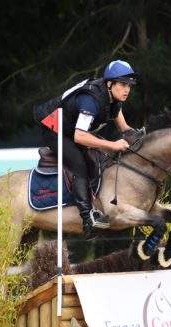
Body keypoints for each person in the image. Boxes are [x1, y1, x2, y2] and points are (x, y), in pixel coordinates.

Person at [34, 60, 138, 237]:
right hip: (55, 130)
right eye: (123, 84)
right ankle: (87, 219)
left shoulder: (115, 99)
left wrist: (138, 137)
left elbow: (125, 129)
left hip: (74, 130)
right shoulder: (91, 101)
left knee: (99, 156)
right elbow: (79, 137)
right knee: (79, 165)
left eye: (129, 85)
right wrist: (113, 145)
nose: (127, 89)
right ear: (110, 84)